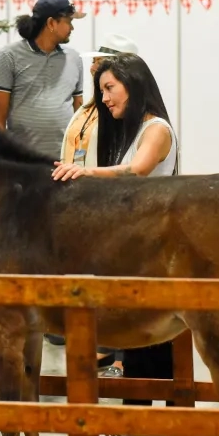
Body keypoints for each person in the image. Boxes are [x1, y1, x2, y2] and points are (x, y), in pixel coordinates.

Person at [52, 53, 178, 436]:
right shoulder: (129, 130)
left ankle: (159, 425)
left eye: (110, 88)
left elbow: (136, 171)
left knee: (155, 340)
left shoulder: (156, 129)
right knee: (141, 340)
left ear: (133, 83)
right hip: (133, 248)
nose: (104, 98)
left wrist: (84, 171)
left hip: (153, 249)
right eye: (101, 89)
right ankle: (137, 425)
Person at [57, 33, 140, 375]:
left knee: (115, 279)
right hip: (81, 203)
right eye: (95, 61)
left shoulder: (121, 114)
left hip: (106, 205)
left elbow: (125, 163)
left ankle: (120, 357)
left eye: (103, 63)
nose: (93, 66)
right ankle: (103, 350)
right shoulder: (91, 109)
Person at [0, 0, 86, 159]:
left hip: (64, 162)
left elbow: (79, 113)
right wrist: (4, 160)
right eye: (69, 21)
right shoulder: (8, 56)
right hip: (23, 163)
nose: (72, 28)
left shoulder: (75, 59)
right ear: (51, 23)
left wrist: (78, 157)